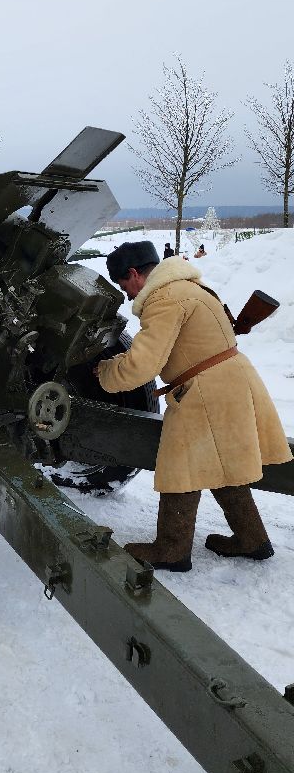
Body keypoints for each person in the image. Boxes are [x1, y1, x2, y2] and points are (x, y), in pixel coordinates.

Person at [93, 241, 292, 572]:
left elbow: (141, 366)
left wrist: (104, 372)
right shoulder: (191, 287)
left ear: (133, 274)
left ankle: (171, 550)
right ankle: (252, 540)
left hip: (206, 391)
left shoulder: (164, 299)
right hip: (230, 381)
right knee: (221, 463)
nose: (127, 295)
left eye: (123, 285)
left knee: (181, 470)